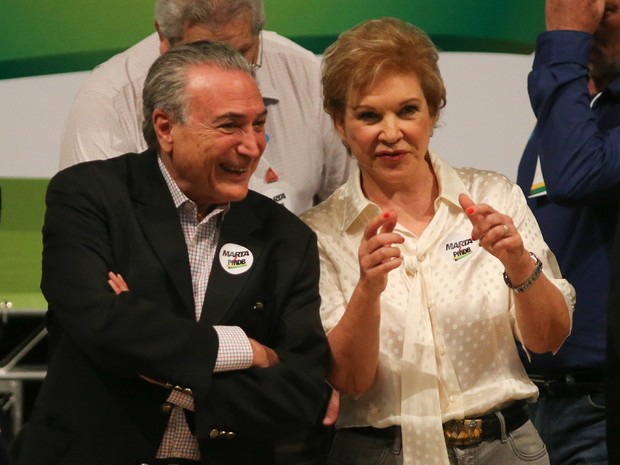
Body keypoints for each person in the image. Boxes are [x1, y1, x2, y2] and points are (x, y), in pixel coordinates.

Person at [11, 41, 328, 465]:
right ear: (165, 128)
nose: (253, 146)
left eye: (258, 124)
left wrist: (166, 369)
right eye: (230, 126)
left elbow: (304, 392)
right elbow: (100, 323)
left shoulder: (287, 237)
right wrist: (241, 349)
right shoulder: (90, 195)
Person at [300, 17, 576, 465]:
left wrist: (520, 264)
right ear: (339, 123)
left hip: (505, 446)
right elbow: (348, 379)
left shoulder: (494, 195)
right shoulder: (318, 232)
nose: (391, 133)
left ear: (433, 111)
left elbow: (548, 339)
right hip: (378, 452)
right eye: (369, 115)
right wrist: (368, 290)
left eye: (408, 110)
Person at [58, 0, 348, 215]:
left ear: (258, 31)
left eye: (242, 52)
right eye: (204, 54)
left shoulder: (305, 75)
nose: (229, 73)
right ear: (164, 39)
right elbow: (91, 235)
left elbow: (346, 210)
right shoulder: (108, 102)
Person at [516, 0, 620, 463]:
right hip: (535, 401)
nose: (591, 25)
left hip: (602, 409)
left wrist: (565, 37)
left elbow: (579, 176)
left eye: (608, 11)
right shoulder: (574, 114)